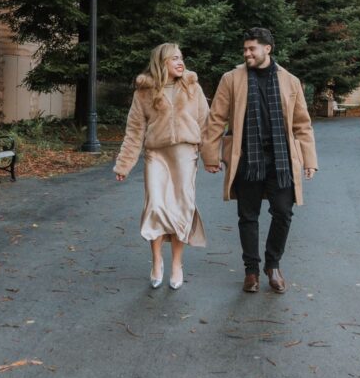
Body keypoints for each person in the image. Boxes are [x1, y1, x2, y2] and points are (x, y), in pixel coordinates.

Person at [202, 27, 318, 294]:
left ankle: (273, 264)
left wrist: (309, 159)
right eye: (245, 49)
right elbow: (216, 119)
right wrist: (210, 155)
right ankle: (251, 270)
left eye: (252, 49)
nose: (247, 53)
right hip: (247, 158)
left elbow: (302, 124)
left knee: (283, 212)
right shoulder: (232, 79)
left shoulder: (290, 81)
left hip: (281, 159)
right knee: (248, 215)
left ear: (267, 49)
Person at [114, 43, 209, 290]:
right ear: (161, 62)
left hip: (186, 155)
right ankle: (157, 261)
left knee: (181, 208)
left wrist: (210, 158)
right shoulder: (143, 92)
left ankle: (177, 263)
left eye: (182, 58)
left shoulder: (192, 87)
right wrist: (124, 164)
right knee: (155, 206)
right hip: (156, 155)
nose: (180, 62)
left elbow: (206, 124)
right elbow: (134, 132)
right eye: (174, 58)